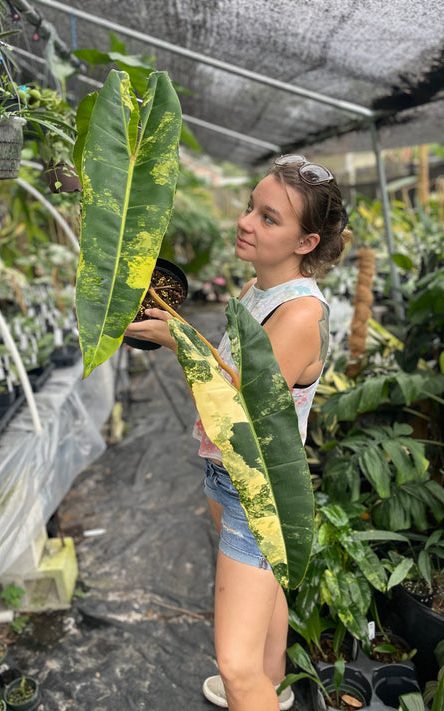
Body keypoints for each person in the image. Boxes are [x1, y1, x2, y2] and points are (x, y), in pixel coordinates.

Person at [124, 154, 350, 710]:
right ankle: (272, 690)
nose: (246, 221)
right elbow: (235, 371)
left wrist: (179, 342)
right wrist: (180, 330)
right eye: (251, 206)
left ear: (306, 242)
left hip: (259, 490)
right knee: (266, 616)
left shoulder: (298, 316)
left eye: (269, 218)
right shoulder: (261, 288)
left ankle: (256, 691)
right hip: (230, 475)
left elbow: (241, 406)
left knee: (235, 664)